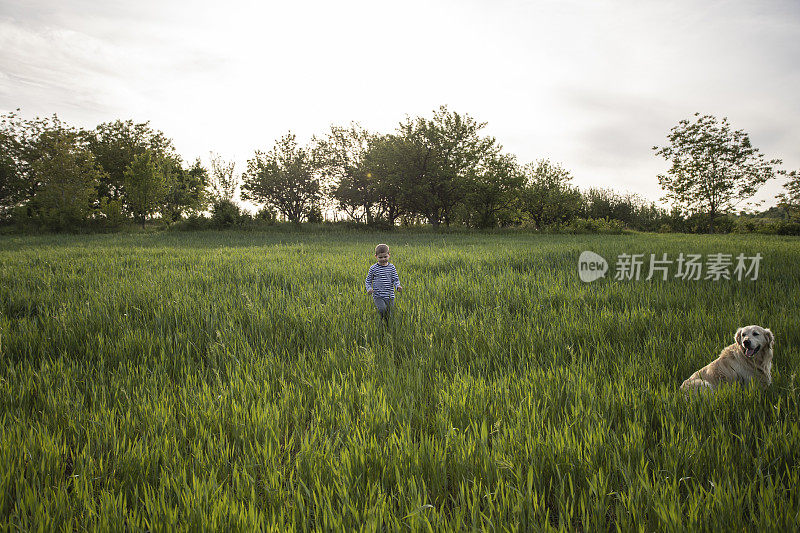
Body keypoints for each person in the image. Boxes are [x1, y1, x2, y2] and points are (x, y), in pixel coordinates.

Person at [365, 243, 402, 322]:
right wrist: (369, 289)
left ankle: (387, 326)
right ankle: (381, 323)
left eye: (385, 257)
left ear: (389, 255)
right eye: (380, 257)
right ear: (376, 256)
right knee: (382, 309)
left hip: (390, 296)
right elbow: (368, 280)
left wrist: (397, 286)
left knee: (389, 313)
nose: (383, 259)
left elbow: (395, 279)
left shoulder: (392, 267)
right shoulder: (373, 268)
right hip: (378, 295)